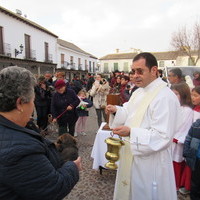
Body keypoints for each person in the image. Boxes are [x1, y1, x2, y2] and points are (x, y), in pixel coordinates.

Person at [106, 52, 180, 200]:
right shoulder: (138, 92)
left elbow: (163, 136)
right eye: (133, 71)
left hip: (151, 163)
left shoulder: (165, 97)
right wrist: (117, 111)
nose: (135, 75)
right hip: (132, 155)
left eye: (140, 71)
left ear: (154, 70)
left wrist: (131, 133)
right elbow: (129, 112)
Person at [0, 66, 81, 200]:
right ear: (20, 103)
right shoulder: (19, 150)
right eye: (32, 100)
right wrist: (73, 168)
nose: (33, 106)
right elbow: (52, 188)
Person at [170, 83, 193, 191]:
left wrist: (175, 137)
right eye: (172, 94)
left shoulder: (187, 110)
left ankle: (175, 185)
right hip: (169, 140)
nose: (174, 96)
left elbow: (184, 126)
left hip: (176, 142)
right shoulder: (174, 107)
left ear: (183, 95)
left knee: (176, 163)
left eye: (176, 94)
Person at [179, 86, 200, 194]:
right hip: (193, 144)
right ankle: (188, 187)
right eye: (192, 95)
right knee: (192, 169)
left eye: (196, 95)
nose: (193, 98)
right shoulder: (193, 109)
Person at [183, 119, 200, 200]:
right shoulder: (196, 125)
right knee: (195, 183)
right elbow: (188, 139)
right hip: (196, 159)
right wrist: (186, 153)